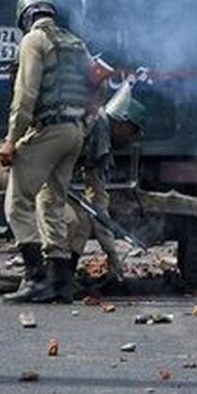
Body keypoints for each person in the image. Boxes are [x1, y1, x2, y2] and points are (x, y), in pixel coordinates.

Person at [0, 0, 91, 304]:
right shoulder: (76, 43)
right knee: (52, 202)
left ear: (25, 17)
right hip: (75, 131)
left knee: (17, 202)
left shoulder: (33, 41)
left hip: (49, 130)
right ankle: (61, 283)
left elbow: (25, 97)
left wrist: (11, 141)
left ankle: (36, 278)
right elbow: (99, 81)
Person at [66, 82, 147, 288]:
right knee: (71, 221)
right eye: (132, 132)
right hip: (21, 167)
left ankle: (64, 276)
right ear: (121, 123)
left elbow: (97, 203)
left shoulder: (100, 137)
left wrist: (112, 255)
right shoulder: (91, 127)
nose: (131, 139)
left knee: (83, 220)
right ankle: (44, 278)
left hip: (50, 175)